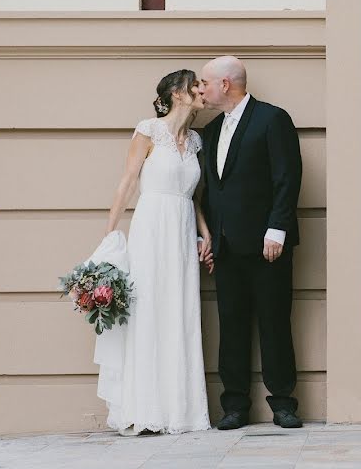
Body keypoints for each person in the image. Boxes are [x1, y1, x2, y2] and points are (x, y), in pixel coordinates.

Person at [99, 69, 213, 435]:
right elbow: (128, 181)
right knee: (149, 310)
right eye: (195, 85)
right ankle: (144, 408)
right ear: (177, 94)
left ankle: (180, 410)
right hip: (151, 227)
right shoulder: (147, 130)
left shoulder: (195, 141)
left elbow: (193, 196)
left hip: (181, 230)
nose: (201, 90)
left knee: (179, 311)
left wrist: (204, 233)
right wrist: (110, 233)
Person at [198, 55, 304, 429]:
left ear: (226, 84)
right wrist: (208, 237)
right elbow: (211, 191)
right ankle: (236, 405)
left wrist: (277, 229)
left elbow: (286, 178)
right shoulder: (210, 131)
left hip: (267, 246)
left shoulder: (272, 119)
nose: (201, 89)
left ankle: (284, 403)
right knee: (232, 326)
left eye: (205, 83)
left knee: (275, 323)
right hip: (226, 249)